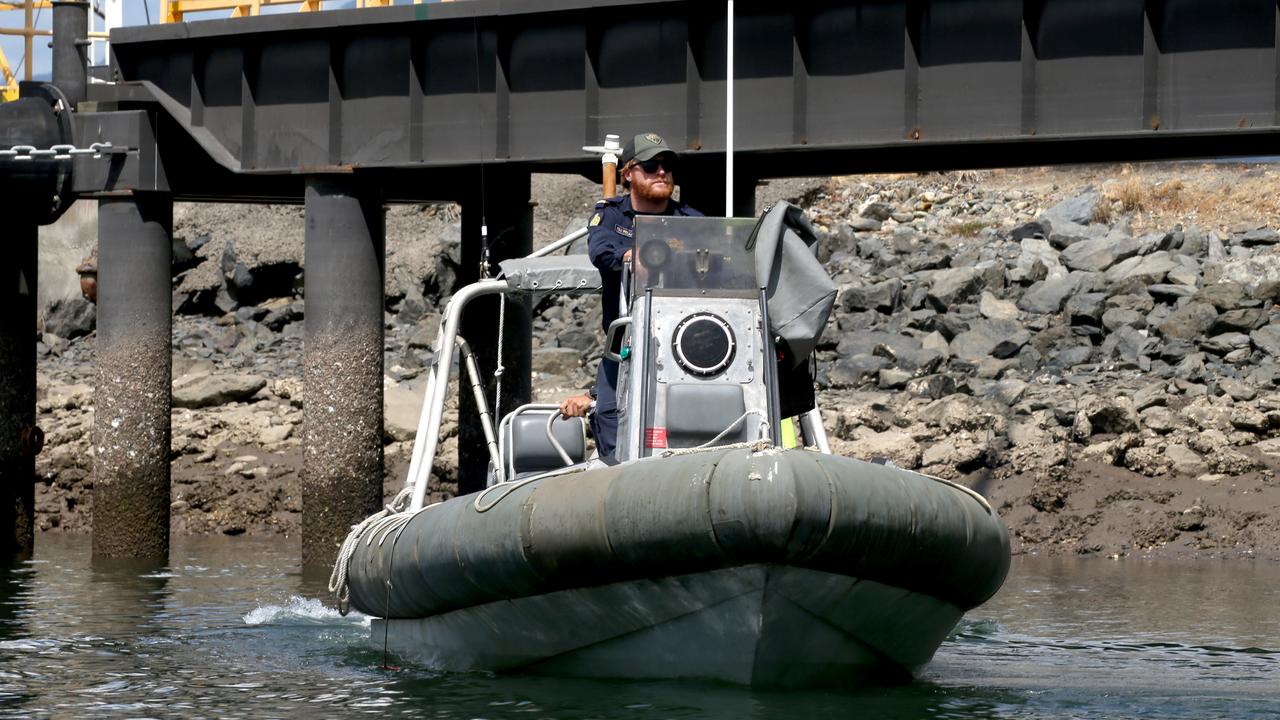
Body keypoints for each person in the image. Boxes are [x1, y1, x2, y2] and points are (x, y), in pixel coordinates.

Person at [559, 132, 703, 459]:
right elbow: (602, 252)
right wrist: (635, 256)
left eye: (667, 166)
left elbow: (720, 263)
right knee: (610, 413)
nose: (662, 173)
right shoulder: (609, 215)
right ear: (628, 174)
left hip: (682, 340)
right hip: (626, 343)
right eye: (651, 165)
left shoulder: (692, 222)